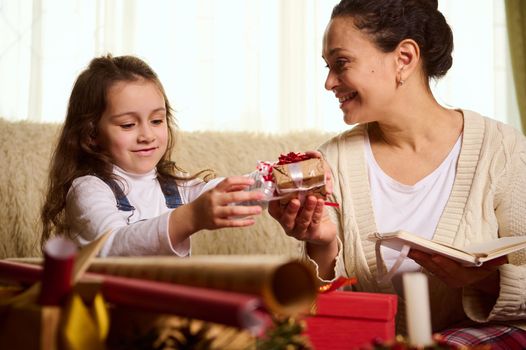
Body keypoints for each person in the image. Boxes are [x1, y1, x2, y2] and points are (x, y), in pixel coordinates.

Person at [269, 0, 526, 347]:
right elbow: (322, 315)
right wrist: (322, 243)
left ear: (404, 58)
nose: (329, 82)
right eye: (327, 67)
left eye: (341, 63)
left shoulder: (503, 149)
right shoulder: (333, 163)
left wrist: (482, 281)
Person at [41, 54, 264, 257]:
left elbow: (225, 193)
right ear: (91, 134)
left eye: (157, 121)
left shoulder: (173, 185)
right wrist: (190, 217)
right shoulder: (88, 189)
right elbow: (113, 246)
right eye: (128, 125)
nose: (147, 135)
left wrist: (275, 183)